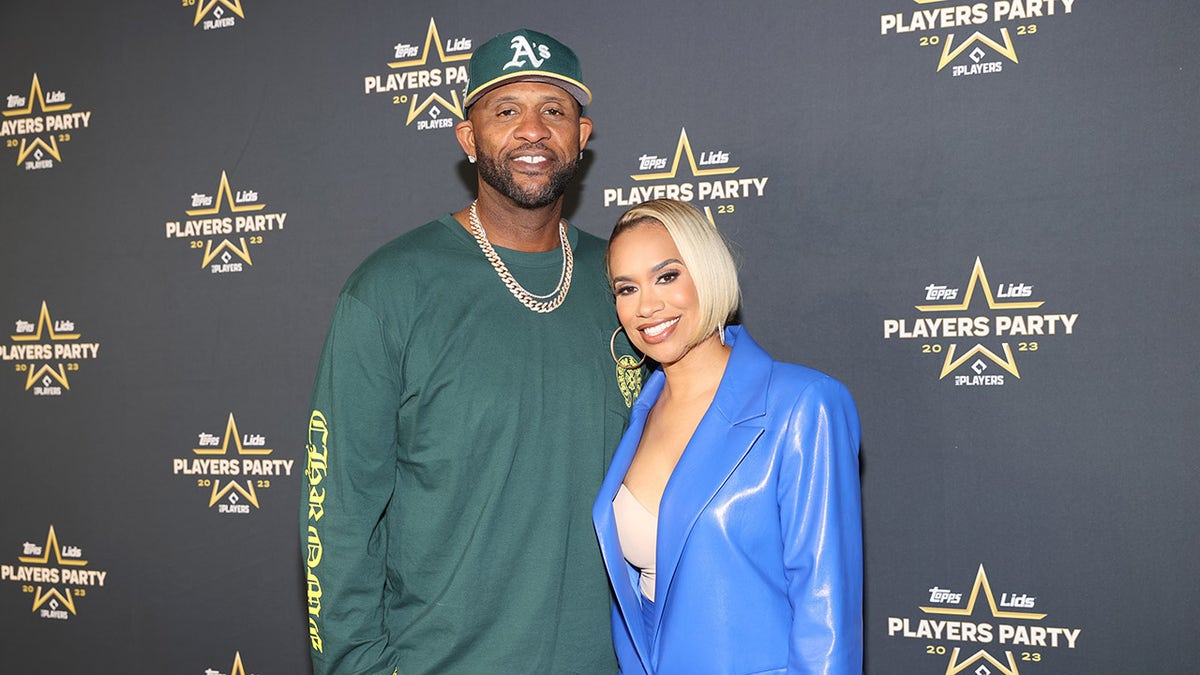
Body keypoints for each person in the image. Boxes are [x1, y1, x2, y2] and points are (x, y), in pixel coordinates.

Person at [302, 28, 637, 674]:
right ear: (467, 137)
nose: (533, 131)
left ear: (582, 134)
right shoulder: (389, 291)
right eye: (506, 110)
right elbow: (337, 525)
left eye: (554, 111)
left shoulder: (626, 285)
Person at [591, 199, 864, 674]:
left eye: (667, 276)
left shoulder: (802, 404)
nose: (647, 305)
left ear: (708, 273)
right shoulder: (639, 415)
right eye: (626, 288)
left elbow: (827, 616)